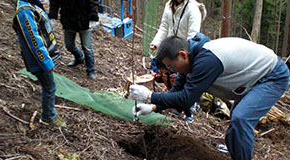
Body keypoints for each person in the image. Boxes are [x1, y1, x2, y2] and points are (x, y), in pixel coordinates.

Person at [129, 33, 289, 159]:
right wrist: (152, 107)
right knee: (236, 119)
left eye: (172, 66)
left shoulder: (206, 61)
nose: (173, 71)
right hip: (252, 76)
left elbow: (186, 99)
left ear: (183, 55)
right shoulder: (191, 59)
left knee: (241, 119)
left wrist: (150, 95)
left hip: (271, 75)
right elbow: (177, 91)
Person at [12, 0, 66, 127]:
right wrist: (46, 63)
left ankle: (49, 112)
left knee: (49, 86)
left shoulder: (32, 5)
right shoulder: (25, 12)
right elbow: (34, 41)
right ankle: (48, 116)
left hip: (43, 57)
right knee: (50, 87)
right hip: (37, 61)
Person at [48, 0, 99, 80]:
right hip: (68, 19)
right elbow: (54, 2)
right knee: (69, 45)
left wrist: (93, 16)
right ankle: (79, 58)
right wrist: (52, 15)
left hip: (84, 19)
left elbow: (93, 1)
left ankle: (90, 70)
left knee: (87, 48)